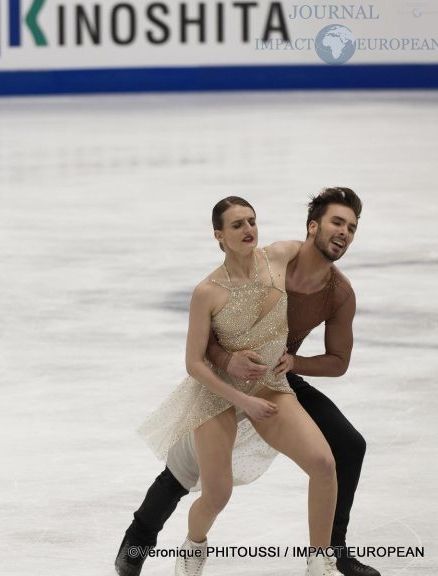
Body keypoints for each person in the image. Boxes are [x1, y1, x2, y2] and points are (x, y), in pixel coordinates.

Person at [115, 188, 380, 576]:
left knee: (342, 450)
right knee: (191, 475)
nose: (343, 233)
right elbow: (199, 351)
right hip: (220, 378)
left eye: (351, 228)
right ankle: (140, 543)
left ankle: (327, 556)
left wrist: (295, 363)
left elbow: (339, 360)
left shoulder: (337, 290)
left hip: (275, 376)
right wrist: (226, 360)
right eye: (336, 223)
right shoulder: (274, 260)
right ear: (312, 227)